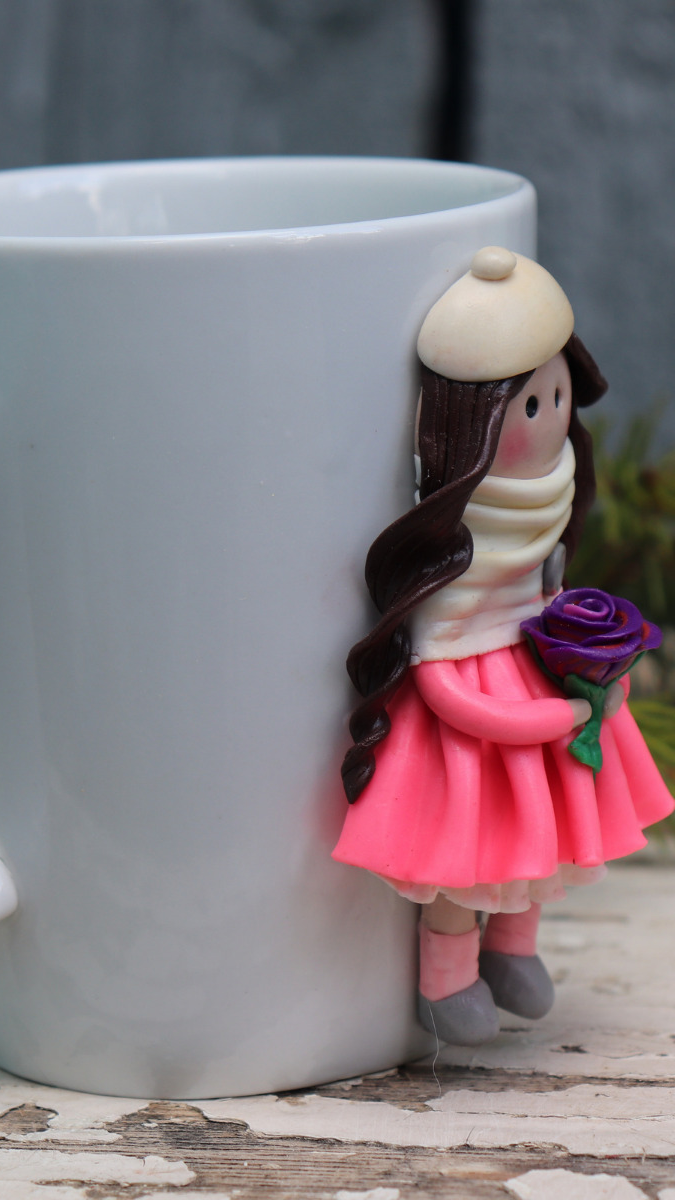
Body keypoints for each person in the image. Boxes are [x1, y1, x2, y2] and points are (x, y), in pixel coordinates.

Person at [333, 247, 674, 1045]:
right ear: (475, 428)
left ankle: (515, 948)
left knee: (543, 835)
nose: (552, 416)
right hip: (477, 726)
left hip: (536, 673)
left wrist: (598, 672)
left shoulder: (548, 508)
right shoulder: (452, 562)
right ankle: (447, 977)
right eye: (530, 406)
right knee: (468, 853)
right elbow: (442, 684)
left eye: (557, 396)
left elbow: (547, 591)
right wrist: (545, 721)